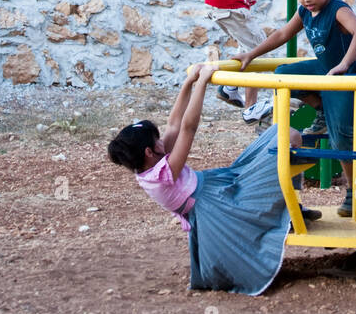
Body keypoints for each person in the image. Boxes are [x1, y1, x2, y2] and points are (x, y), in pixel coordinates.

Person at [107, 63, 320, 296]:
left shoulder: (147, 162)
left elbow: (174, 124)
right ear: (149, 151)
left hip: (217, 185)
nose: (162, 141)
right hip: (216, 206)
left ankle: (316, 107)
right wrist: (202, 84)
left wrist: (188, 82)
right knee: (288, 139)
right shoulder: (162, 176)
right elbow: (188, 128)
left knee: (282, 133)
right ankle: (291, 205)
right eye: (157, 140)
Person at [236, 0, 356, 219]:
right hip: (324, 72)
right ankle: (318, 109)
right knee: (284, 74)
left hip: (346, 76)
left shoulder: (338, 9)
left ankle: (354, 190)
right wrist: (251, 54)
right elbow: (282, 34)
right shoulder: (305, 12)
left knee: (341, 136)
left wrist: (344, 65)